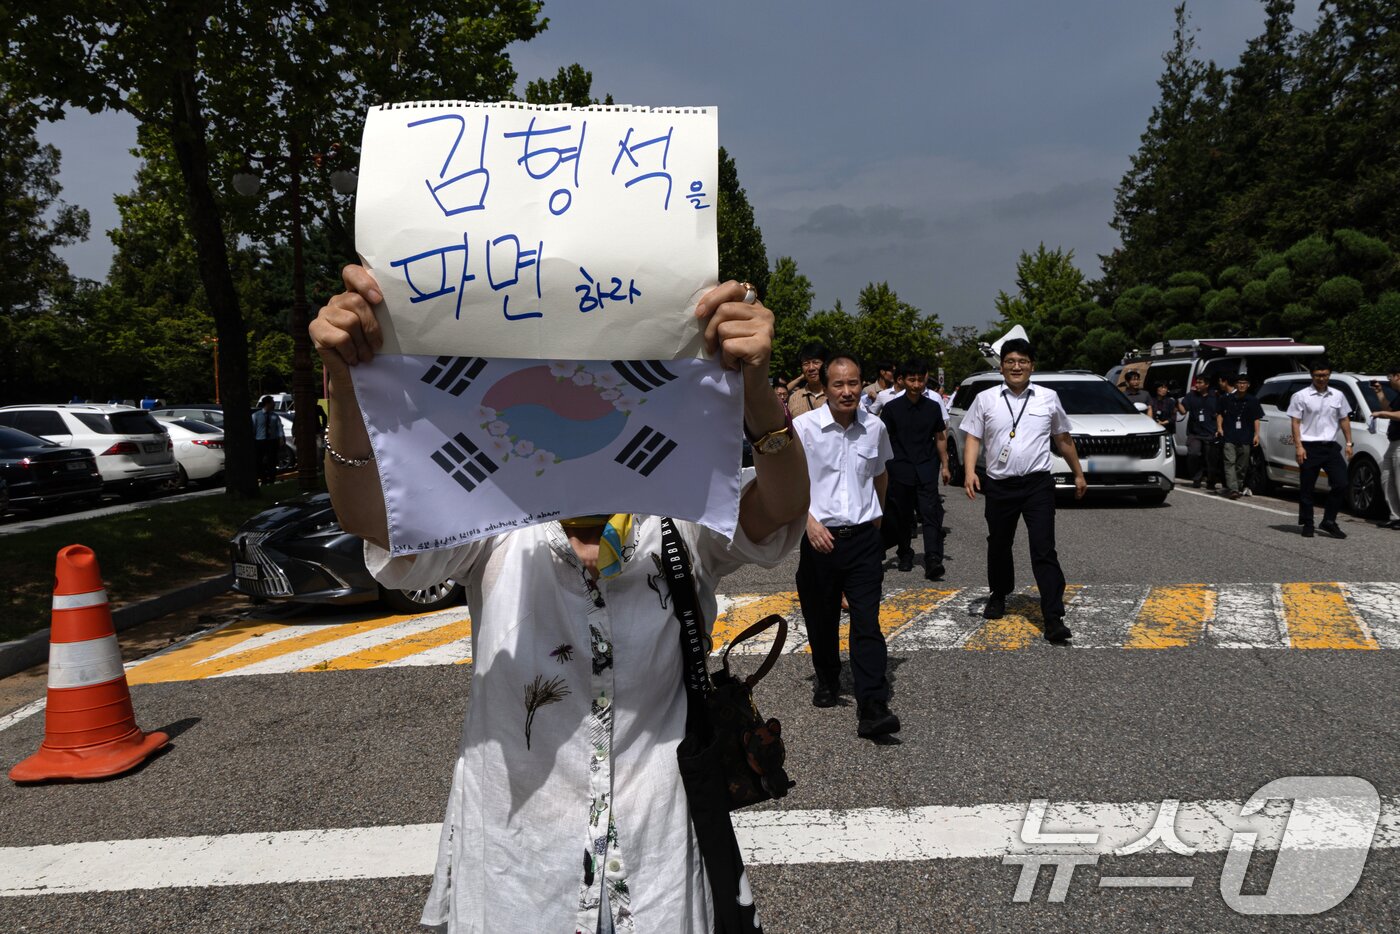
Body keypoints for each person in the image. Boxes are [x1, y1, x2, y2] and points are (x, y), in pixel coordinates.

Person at [311, 270, 809, 933]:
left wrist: (756, 394)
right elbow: (371, 516)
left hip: (656, 842)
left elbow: (777, 509)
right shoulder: (492, 514)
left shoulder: (678, 503)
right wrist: (345, 390)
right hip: (523, 854)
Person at [791, 353, 900, 739]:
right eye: (838, 384)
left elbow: (880, 475)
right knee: (821, 619)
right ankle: (827, 676)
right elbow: (786, 483)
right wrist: (808, 522)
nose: (847, 391)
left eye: (853, 383)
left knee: (867, 622)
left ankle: (873, 704)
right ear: (826, 385)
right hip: (820, 539)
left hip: (863, 541)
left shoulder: (875, 428)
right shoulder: (803, 427)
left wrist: (878, 517)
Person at [960, 339, 1086, 643]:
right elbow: (973, 438)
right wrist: (968, 473)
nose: (1017, 367)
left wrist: (1078, 473)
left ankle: (1053, 616)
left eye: (1023, 361)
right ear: (1001, 365)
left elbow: (1063, 437)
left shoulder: (1048, 397)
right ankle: (999, 594)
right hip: (1000, 485)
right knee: (999, 544)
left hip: (1037, 484)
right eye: (1011, 361)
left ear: (1032, 365)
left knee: (1043, 548)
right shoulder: (986, 399)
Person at [880, 357, 950, 579]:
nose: (917, 384)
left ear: (926, 378)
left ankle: (933, 559)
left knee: (931, 515)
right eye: (912, 380)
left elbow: (940, 437)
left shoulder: (932, 407)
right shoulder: (891, 408)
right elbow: (881, 439)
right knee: (902, 515)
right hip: (899, 468)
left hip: (927, 468)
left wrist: (945, 465)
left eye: (921, 380)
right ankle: (905, 553)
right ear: (902, 380)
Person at [1287, 358, 1352, 538]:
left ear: (1329, 375)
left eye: (1324, 375)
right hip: (1309, 446)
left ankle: (1329, 521)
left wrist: (1348, 443)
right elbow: (1295, 422)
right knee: (1307, 488)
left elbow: (1344, 419)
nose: (1321, 378)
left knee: (1341, 483)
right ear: (1312, 376)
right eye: (1317, 375)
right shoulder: (1301, 396)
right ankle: (1308, 523)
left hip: (1330, 446)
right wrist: (1299, 446)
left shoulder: (1338, 395)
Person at [1215, 373, 1263, 500]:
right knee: (1229, 462)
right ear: (1236, 384)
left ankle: (1238, 485)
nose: (1242, 385)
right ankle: (1234, 489)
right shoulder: (1226, 399)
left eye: (1244, 383)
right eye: (1240, 383)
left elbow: (1256, 419)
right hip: (1229, 435)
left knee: (1242, 465)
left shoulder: (1253, 400)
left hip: (1246, 437)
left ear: (1248, 385)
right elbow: (1219, 414)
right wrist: (1219, 428)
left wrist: (1257, 435)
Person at [1371, 366, 1400, 530]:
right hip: (1394, 442)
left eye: (1390, 376)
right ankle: (1395, 516)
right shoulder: (1398, 396)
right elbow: (1391, 409)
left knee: (1399, 481)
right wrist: (1379, 392)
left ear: (1397, 376)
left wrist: (1382, 414)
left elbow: (1393, 414)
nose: (1389, 380)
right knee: (1387, 479)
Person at [1178, 375, 1218, 489]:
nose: (1197, 385)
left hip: (1211, 433)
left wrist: (1219, 429)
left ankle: (1211, 481)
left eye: (1200, 383)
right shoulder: (1190, 396)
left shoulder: (1215, 396)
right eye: (1196, 382)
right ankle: (1197, 478)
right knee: (1193, 454)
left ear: (1207, 384)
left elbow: (1220, 413)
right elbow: (1183, 411)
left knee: (1211, 458)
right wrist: (1177, 403)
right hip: (1195, 433)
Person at [786, 342, 828, 416]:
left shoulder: (836, 395)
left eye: (816, 362)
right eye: (806, 364)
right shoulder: (794, 398)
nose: (811, 368)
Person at [252, 395, 284, 485]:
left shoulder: (275, 416)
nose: (274, 404)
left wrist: (281, 438)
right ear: (267, 403)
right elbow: (253, 428)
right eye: (272, 402)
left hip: (272, 440)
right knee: (260, 461)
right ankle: (263, 479)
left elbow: (279, 428)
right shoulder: (256, 416)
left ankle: (271, 479)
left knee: (272, 461)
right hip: (260, 440)